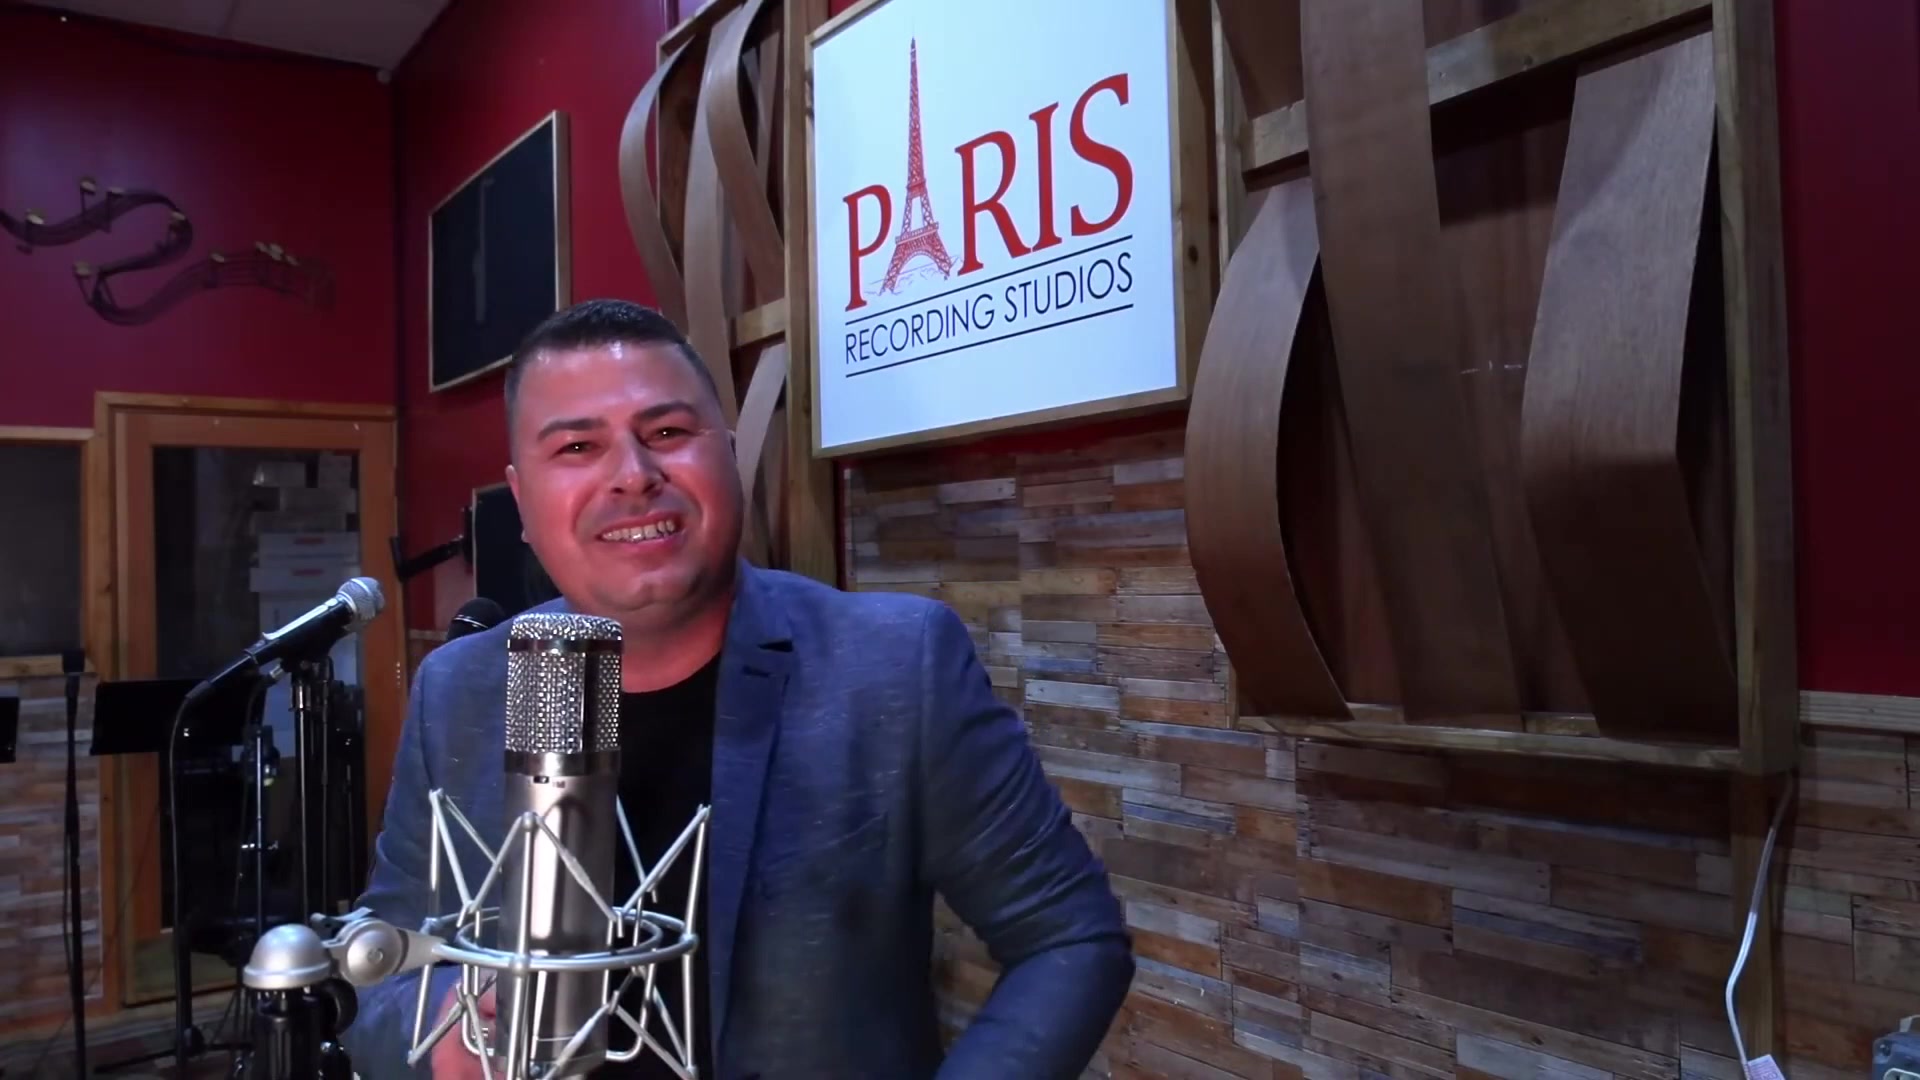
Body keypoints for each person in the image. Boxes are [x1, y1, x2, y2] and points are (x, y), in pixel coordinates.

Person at [340, 299, 1134, 1078]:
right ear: (522, 501)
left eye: (666, 434)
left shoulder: (895, 665)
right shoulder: (462, 689)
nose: (634, 476)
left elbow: (1069, 937)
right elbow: (382, 960)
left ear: (728, 454)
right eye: (578, 447)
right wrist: (443, 1037)